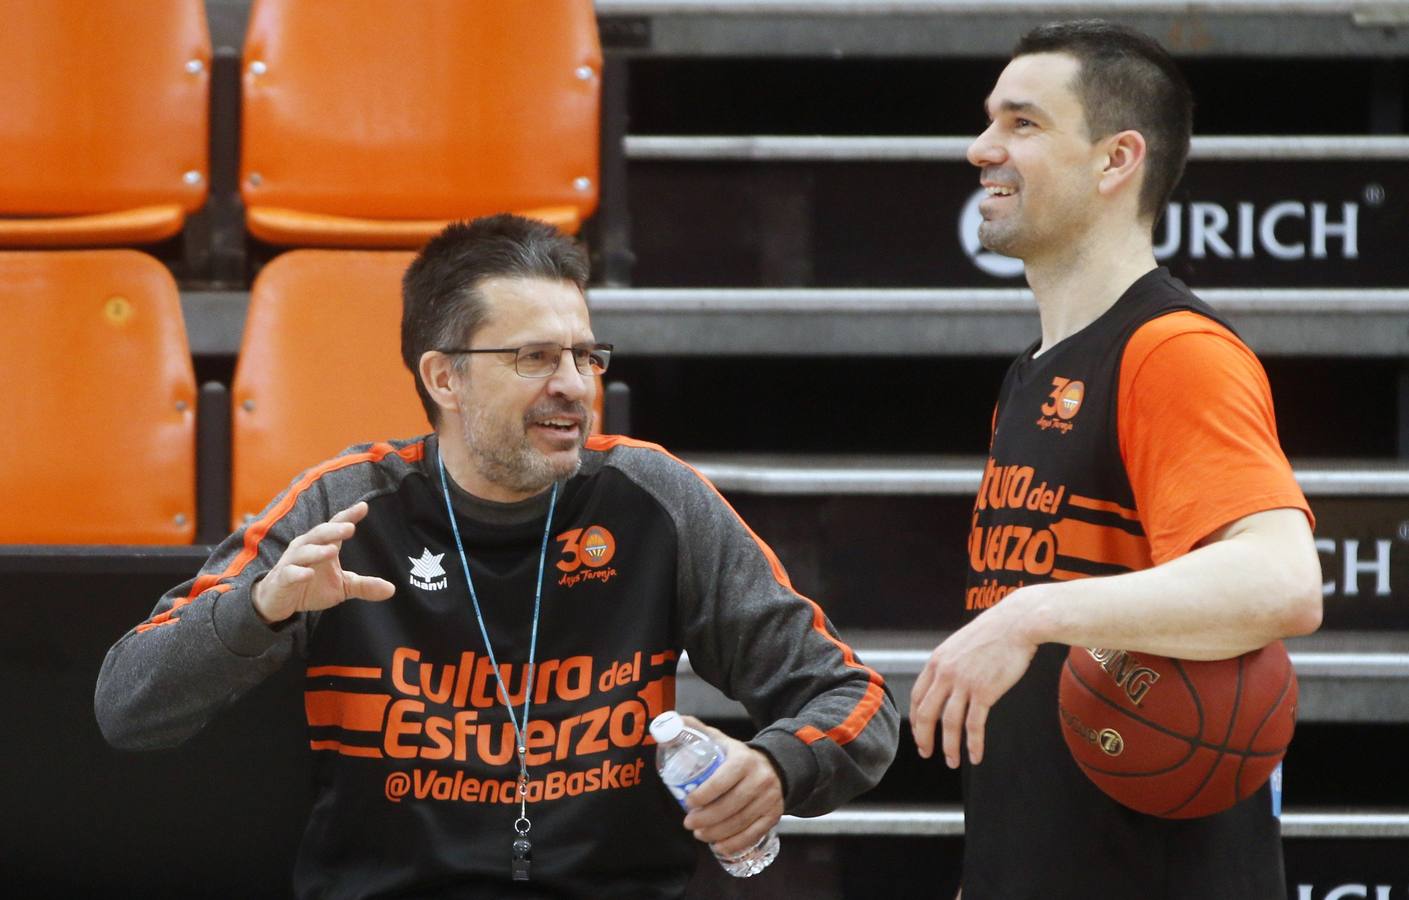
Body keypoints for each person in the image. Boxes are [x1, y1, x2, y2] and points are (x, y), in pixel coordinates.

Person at [96, 214, 898, 899]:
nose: (575, 386)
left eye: (587, 356)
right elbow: (129, 703)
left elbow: (851, 698)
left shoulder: (651, 497)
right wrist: (261, 608)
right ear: (443, 378)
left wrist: (776, 765)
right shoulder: (344, 505)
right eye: (533, 358)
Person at [908, 20, 1323, 899]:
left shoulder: (1171, 351)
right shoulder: (1035, 370)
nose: (981, 147)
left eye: (1022, 123)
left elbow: (1280, 580)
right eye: (989, 121)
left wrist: (1024, 616)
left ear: (1114, 160)